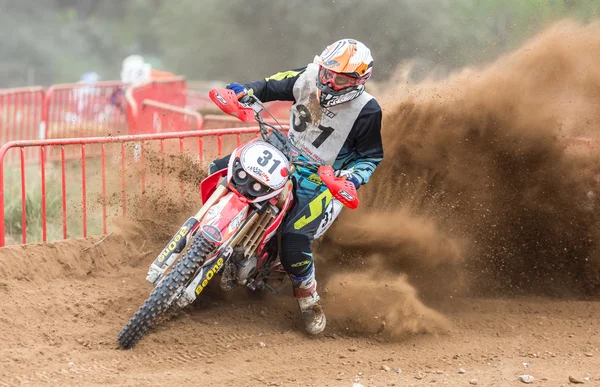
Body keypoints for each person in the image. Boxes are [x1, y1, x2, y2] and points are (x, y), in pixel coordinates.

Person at [210, 39, 384, 335]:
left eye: (339, 78)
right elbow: (267, 86)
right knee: (219, 169)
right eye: (327, 72)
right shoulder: (308, 75)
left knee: (292, 241)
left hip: (323, 178)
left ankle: (308, 299)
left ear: (359, 79)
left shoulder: (367, 110)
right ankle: (208, 232)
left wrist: (351, 180)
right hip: (284, 151)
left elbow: (370, 156)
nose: (328, 81)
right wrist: (241, 92)